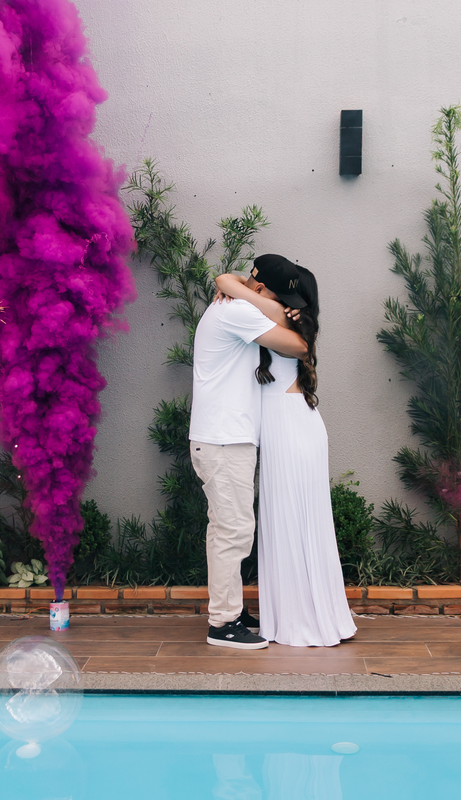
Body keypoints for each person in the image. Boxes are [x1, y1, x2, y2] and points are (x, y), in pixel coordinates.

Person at [215, 256, 357, 647]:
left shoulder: (281, 315)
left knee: (294, 521)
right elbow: (227, 281)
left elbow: (225, 280)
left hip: (291, 428)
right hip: (288, 426)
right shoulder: (280, 314)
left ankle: (302, 620)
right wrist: (239, 284)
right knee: (289, 522)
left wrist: (237, 287)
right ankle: (300, 614)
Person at [190, 257, 308, 650]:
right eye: (280, 297)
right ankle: (223, 623)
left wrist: (234, 282)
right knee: (234, 530)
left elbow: (238, 283)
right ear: (259, 290)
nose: (284, 305)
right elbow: (298, 345)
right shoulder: (236, 311)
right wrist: (243, 291)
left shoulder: (237, 302)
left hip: (224, 437)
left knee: (226, 528)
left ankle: (230, 610)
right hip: (223, 439)